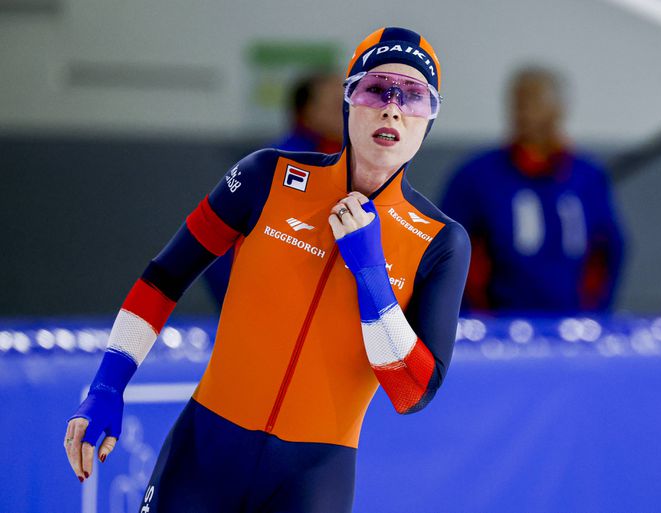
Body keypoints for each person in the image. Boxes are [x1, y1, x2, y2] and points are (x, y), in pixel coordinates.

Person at [64, 27, 470, 513]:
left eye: (414, 97)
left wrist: (370, 274)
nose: (393, 107)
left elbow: (413, 392)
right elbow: (163, 279)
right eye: (377, 88)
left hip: (312, 478)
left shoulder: (439, 240)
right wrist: (107, 386)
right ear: (348, 100)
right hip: (204, 455)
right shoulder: (267, 176)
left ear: (430, 121)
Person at [442, 66, 624, 314]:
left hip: (572, 327)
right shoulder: (476, 176)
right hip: (497, 328)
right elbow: (449, 249)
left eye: (534, 103)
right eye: (518, 103)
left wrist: (592, 315)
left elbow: (606, 252)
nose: (524, 114)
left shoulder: (587, 177)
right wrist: (475, 316)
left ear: (559, 110)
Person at [203, 72, 344, 307]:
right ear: (307, 111)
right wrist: (243, 305)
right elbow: (213, 244)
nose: (348, 113)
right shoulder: (271, 165)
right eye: (337, 105)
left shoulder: (353, 168)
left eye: (350, 104)